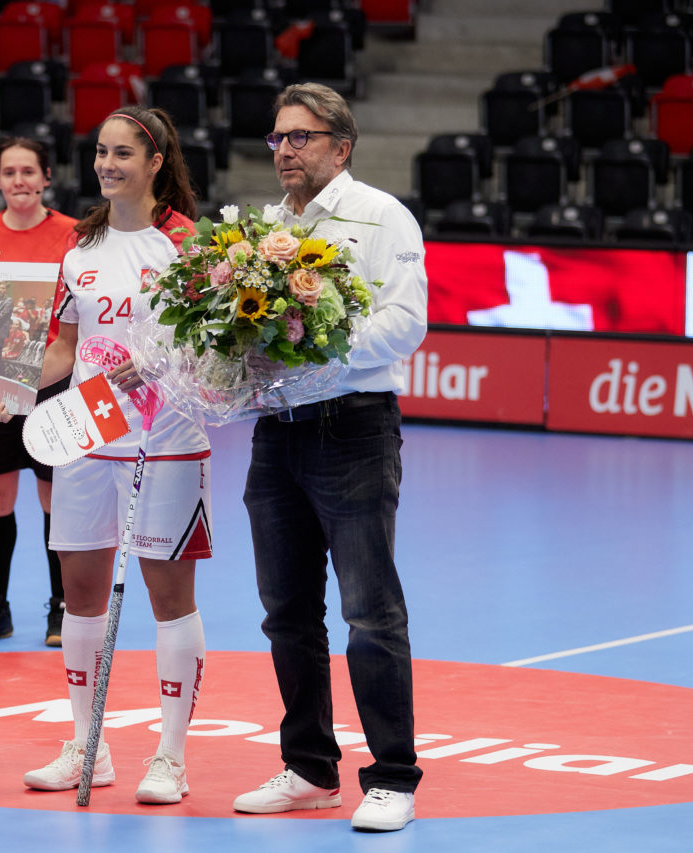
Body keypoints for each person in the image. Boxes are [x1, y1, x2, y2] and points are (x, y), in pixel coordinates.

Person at [0, 106, 209, 805]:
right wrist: (8, 385)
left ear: (155, 162)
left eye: (122, 154)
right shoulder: (80, 246)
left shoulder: (186, 244)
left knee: (168, 597)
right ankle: (87, 742)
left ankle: (170, 755)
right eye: (100, 153)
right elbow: (63, 346)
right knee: (79, 592)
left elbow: (209, 346)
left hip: (166, 441)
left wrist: (162, 368)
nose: (107, 164)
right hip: (86, 436)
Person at [230, 83, 427, 832]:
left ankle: (394, 775)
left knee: (369, 611)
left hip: (353, 429)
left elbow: (406, 323)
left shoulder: (382, 216)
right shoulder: (261, 231)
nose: (284, 150)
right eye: (278, 138)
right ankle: (311, 766)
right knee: (286, 612)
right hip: (276, 431)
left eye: (300, 137)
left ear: (340, 146)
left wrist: (314, 353)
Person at [0, 137, 76, 647]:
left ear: (46, 176)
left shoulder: (76, 236)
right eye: (9, 172)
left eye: (29, 171)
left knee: (55, 498)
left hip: (55, 381)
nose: (19, 181)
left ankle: (62, 607)